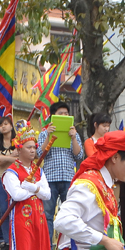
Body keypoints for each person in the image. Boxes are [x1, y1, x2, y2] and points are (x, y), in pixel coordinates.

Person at [4, 123, 53, 250]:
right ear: (19, 148)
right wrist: (36, 190)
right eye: (29, 147)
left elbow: (47, 194)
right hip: (20, 219)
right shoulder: (11, 171)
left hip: (38, 217)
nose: (33, 150)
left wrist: (31, 187)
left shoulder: (38, 170)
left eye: (34, 147)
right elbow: (16, 195)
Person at [36, 100, 83, 241]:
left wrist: (73, 137)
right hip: (50, 178)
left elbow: (79, 154)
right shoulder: (45, 134)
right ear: (53, 116)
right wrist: (50, 136)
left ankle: (69, 246)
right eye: (60, 114)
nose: (64, 116)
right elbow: (40, 153)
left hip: (69, 177)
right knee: (47, 214)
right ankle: (48, 246)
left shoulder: (73, 133)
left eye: (66, 114)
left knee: (71, 214)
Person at [0, 116, 17, 250]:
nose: (3, 127)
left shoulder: (18, 142)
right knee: (4, 210)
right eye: (1, 125)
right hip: (2, 178)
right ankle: (7, 241)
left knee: (16, 210)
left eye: (6, 124)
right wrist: (13, 157)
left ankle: (16, 239)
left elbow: (20, 160)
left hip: (17, 178)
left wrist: (5, 158)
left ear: (12, 126)